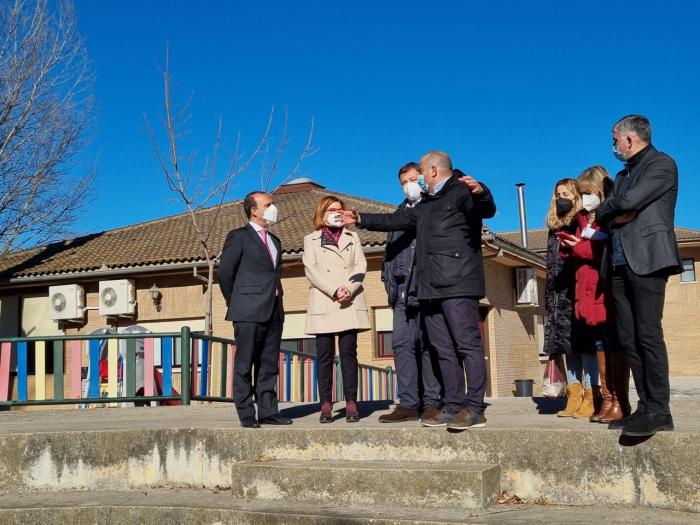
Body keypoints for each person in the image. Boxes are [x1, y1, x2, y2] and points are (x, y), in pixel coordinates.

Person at [343, 151, 496, 430]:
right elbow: (396, 221)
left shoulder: (461, 191)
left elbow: (485, 210)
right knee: (442, 348)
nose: (420, 180)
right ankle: (452, 406)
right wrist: (359, 218)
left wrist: (482, 191)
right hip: (430, 288)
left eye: (422, 173)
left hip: (459, 283)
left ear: (434, 171)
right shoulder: (426, 204)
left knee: (466, 344)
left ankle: (474, 407)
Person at [596, 115, 683, 437]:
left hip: (648, 259)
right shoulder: (621, 175)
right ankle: (645, 407)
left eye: (614, 139)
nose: (613, 146)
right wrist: (614, 211)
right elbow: (608, 213)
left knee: (648, 334)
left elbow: (629, 202)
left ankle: (660, 410)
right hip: (618, 263)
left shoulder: (661, 164)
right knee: (629, 338)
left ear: (629, 139)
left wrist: (615, 209)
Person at [559, 167, 629, 422]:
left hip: (604, 291)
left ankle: (619, 401)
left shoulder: (609, 218)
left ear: (601, 191)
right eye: (583, 193)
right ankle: (607, 400)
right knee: (600, 345)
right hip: (587, 293)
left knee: (613, 345)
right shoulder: (580, 219)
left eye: (589, 192)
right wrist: (570, 247)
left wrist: (582, 248)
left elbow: (606, 254)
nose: (586, 197)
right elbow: (584, 252)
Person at [217, 191, 291, 428]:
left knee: (269, 363)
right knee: (245, 363)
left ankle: (268, 411)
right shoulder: (238, 237)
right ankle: (246, 413)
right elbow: (225, 274)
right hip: (247, 310)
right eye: (268, 204)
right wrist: (236, 301)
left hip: (274, 310)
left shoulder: (275, 240)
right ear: (254, 210)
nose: (273, 207)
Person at [377, 162, 442, 423]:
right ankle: (407, 403)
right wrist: (388, 281)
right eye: (403, 182)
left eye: (413, 180)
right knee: (402, 346)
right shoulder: (397, 215)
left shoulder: (433, 208)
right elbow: (388, 256)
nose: (409, 186)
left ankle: (432, 402)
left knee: (429, 346)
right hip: (401, 292)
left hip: (427, 291)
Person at [302, 196, 371, 423]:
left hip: (349, 300)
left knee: (349, 354)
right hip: (325, 300)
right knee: (324, 355)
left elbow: (361, 265)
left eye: (340, 210)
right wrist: (334, 290)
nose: (337, 213)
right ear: (322, 213)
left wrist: (349, 288)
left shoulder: (353, 236)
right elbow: (310, 269)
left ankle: (351, 402)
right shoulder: (311, 239)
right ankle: (326, 404)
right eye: (332, 210)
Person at [541, 178, 582, 413]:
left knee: (581, 347)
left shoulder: (580, 221)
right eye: (558, 194)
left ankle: (590, 394)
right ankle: (574, 396)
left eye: (566, 193)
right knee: (565, 347)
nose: (561, 198)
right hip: (557, 297)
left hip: (575, 293)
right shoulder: (553, 228)